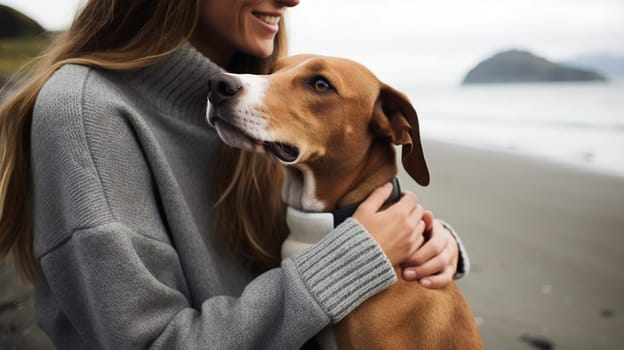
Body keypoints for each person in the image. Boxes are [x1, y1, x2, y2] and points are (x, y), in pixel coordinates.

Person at [0, 0, 470, 348]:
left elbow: (308, 221)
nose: (292, 0)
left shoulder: (247, 113)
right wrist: (354, 258)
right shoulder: (85, 114)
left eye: (314, 84)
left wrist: (428, 240)